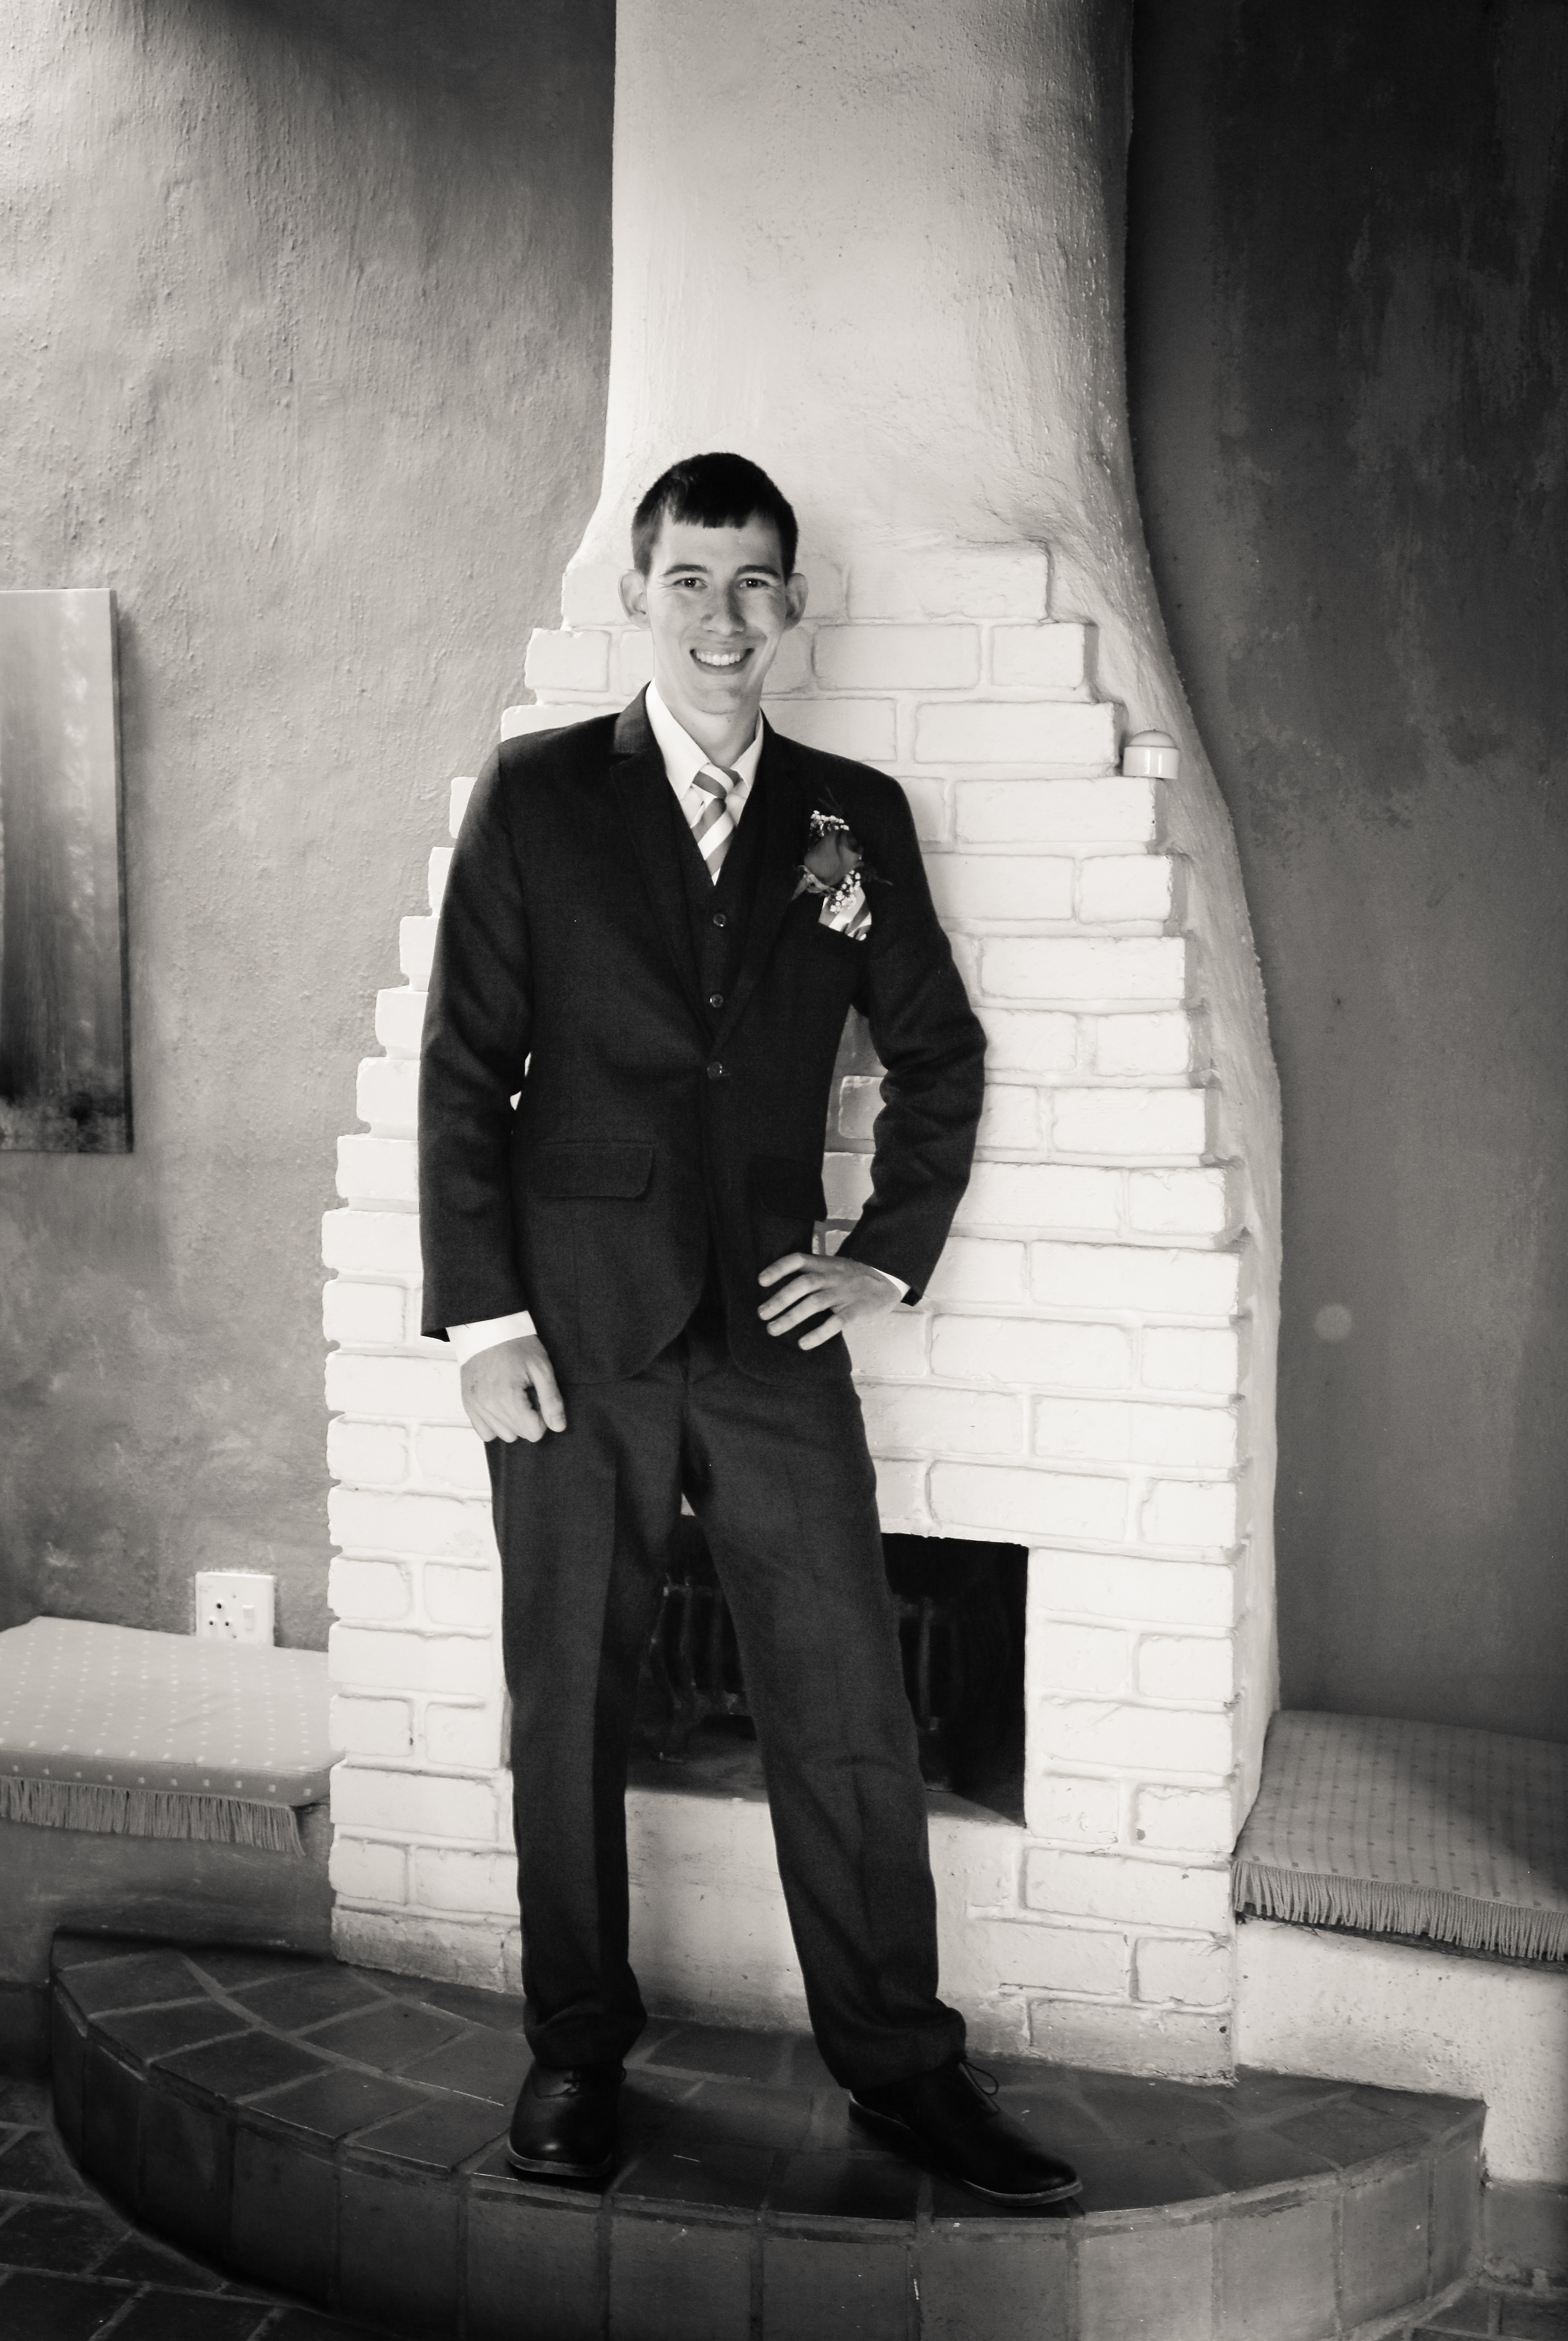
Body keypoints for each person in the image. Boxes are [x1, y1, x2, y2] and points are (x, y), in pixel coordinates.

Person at [417, 453, 1080, 2205]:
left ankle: (900, 2068)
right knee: (568, 1695)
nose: (724, 617)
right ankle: (574, 2050)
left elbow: (937, 1053)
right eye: (692, 581)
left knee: (848, 1694)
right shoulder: (540, 794)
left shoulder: (850, 817)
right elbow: (465, 1070)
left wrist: (885, 1258)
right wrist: (484, 1322)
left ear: (793, 604)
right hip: (574, 1332)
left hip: (775, 1332)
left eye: (755, 582)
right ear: (639, 596)